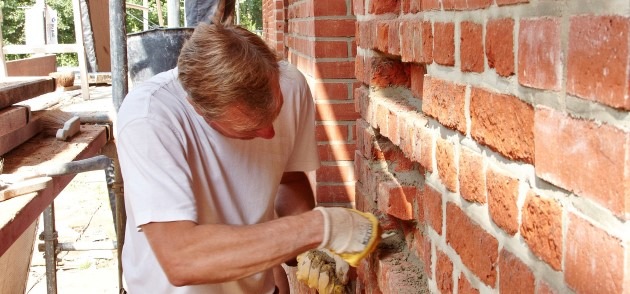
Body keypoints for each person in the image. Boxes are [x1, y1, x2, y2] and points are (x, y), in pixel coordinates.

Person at [115, 14, 380, 294]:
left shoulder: (292, 85)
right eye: (250, 129)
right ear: (199, 109)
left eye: (275, 114)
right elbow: (182, 259)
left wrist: (304, 253)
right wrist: (320, 228)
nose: (269, 134)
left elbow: (287, 180)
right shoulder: (149, 118)